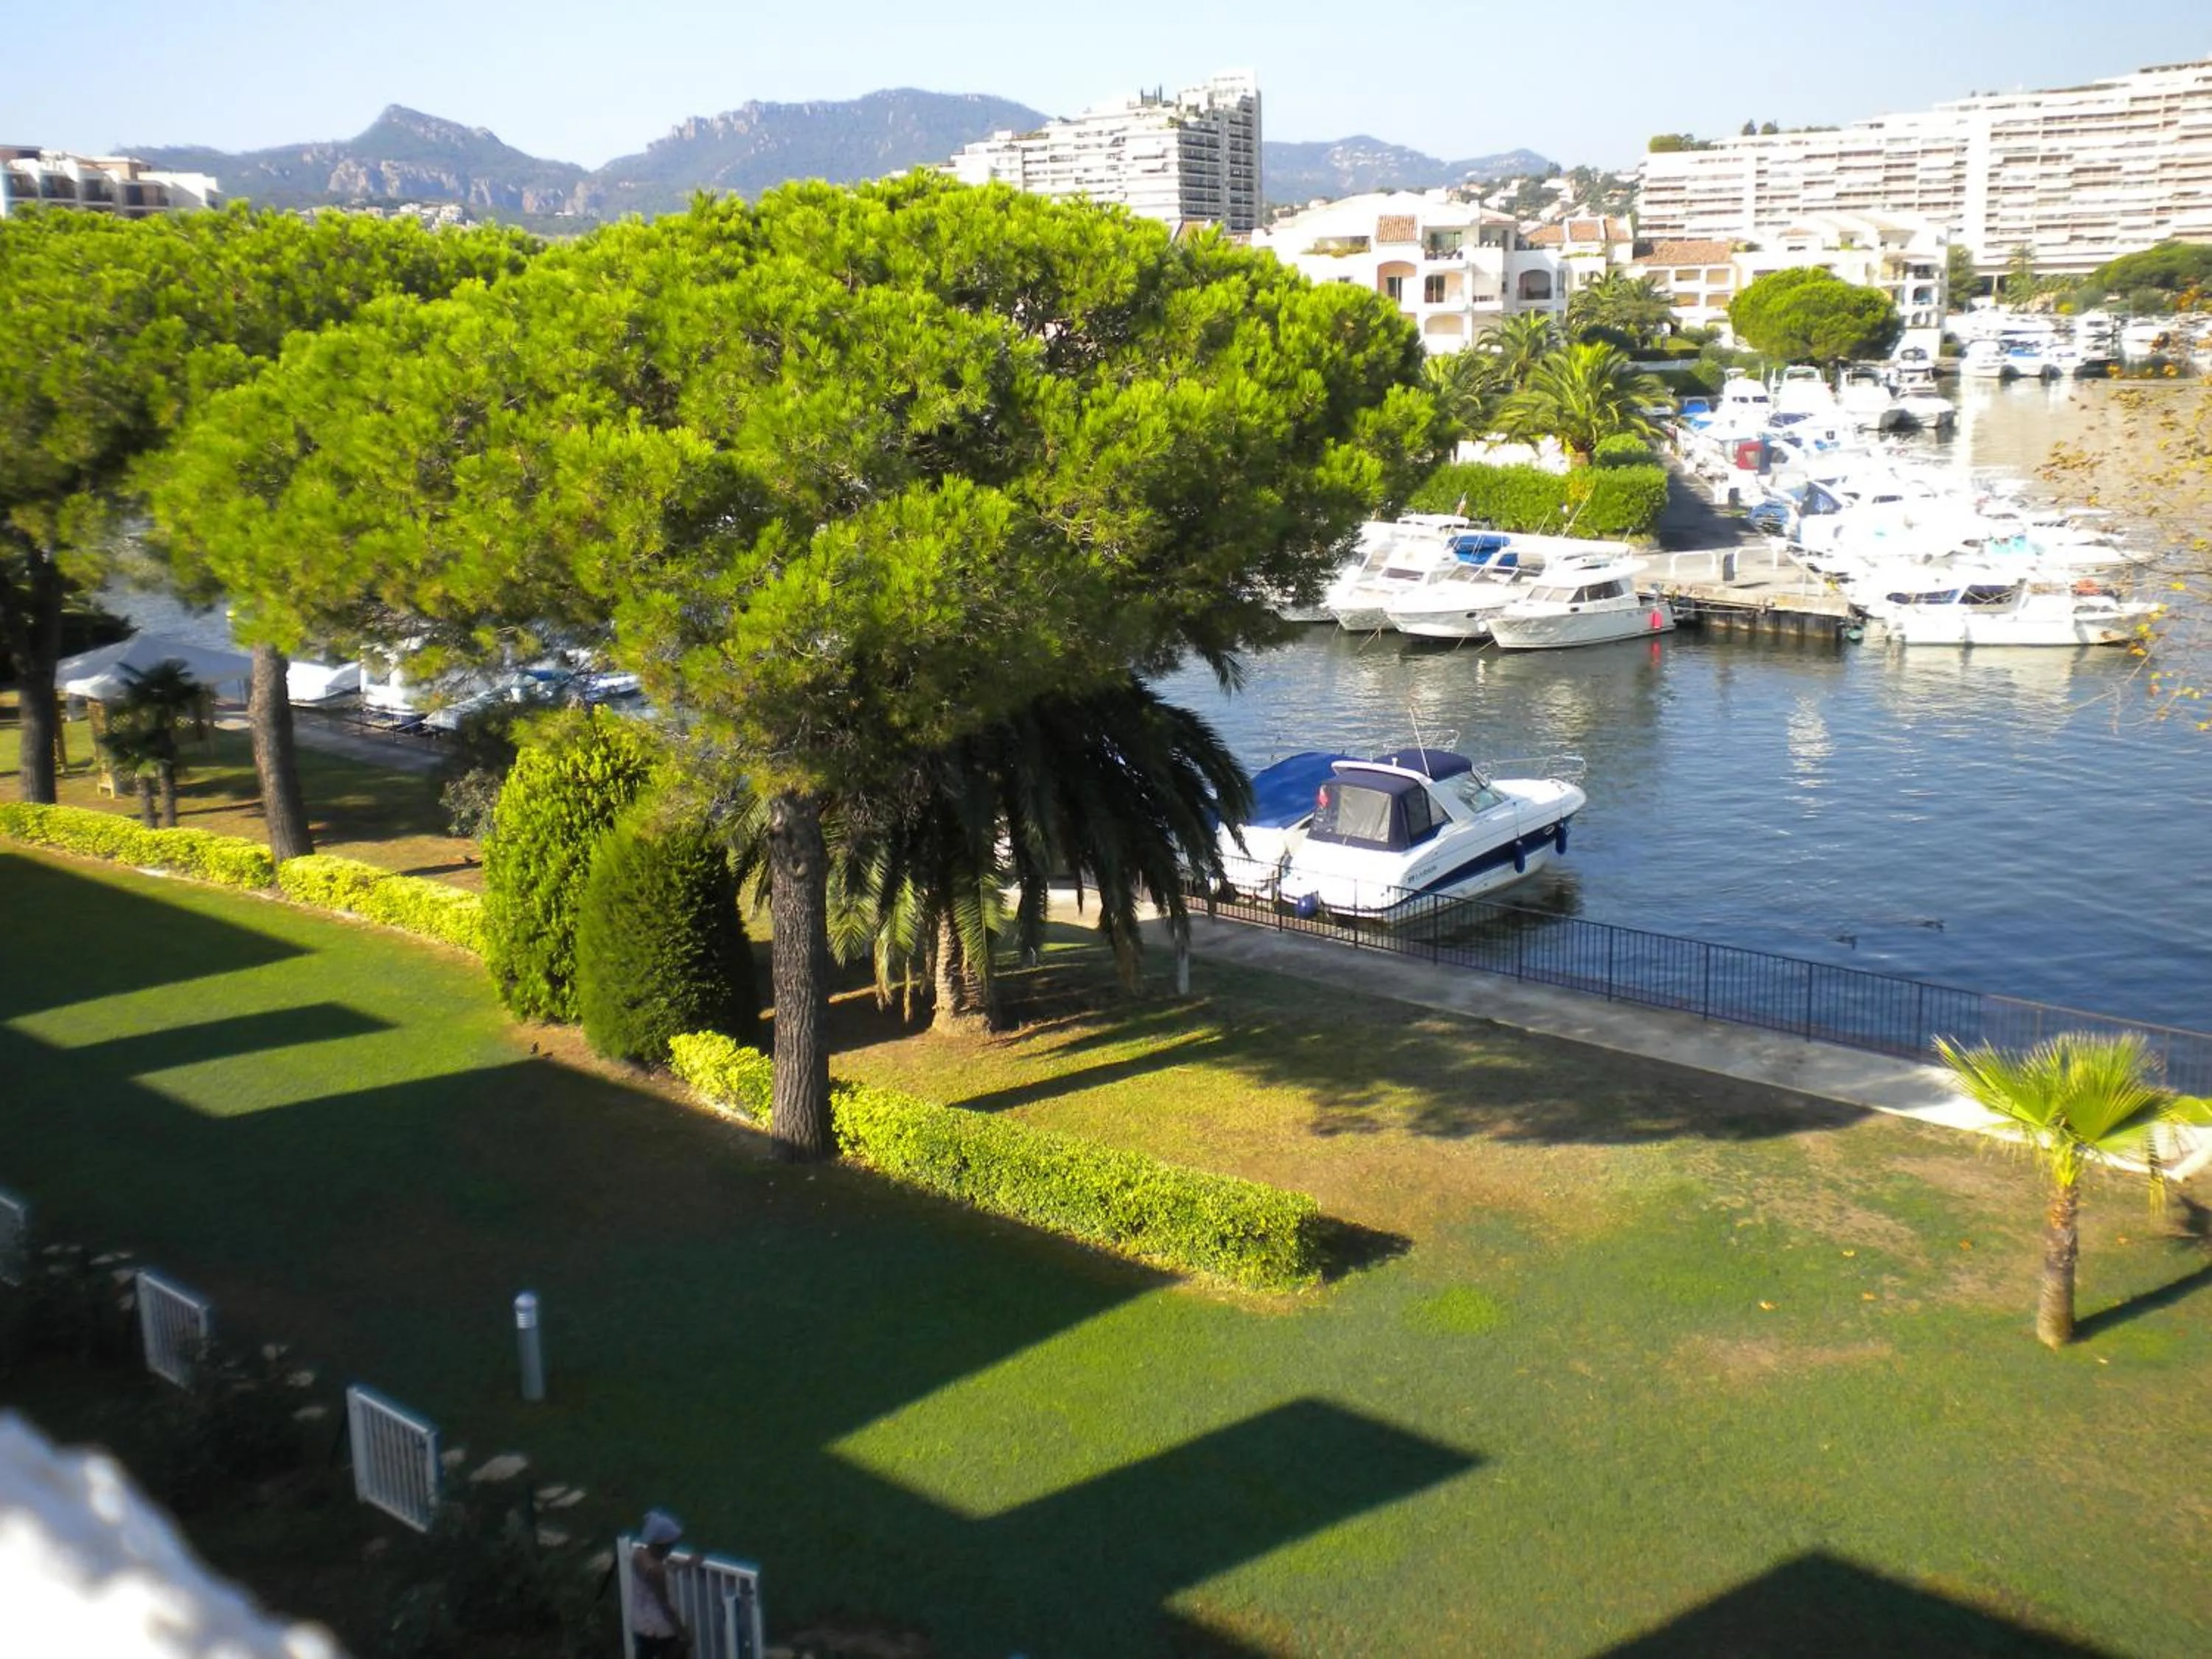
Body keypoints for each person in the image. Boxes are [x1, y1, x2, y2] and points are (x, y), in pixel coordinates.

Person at [629, 1509, 688, 1658]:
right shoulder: (656, 1571)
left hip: (640, 1624)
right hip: (659, 1629)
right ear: (662, 1545)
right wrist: (682, 1633)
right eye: (670, 1545)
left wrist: (686, 1564)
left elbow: (665, 1567)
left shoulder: (639, 1554)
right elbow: (664, 1605)